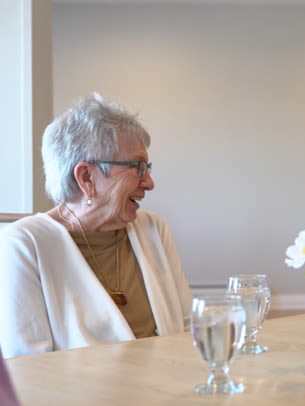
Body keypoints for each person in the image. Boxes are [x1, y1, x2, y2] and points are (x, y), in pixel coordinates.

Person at [0, 94, 193, 358]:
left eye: (146, 167)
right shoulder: (23, 245)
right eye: (137, 167)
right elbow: (27, 367)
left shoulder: (153, 229)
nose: (149, 183)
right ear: (86, 177)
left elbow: (186, 329)